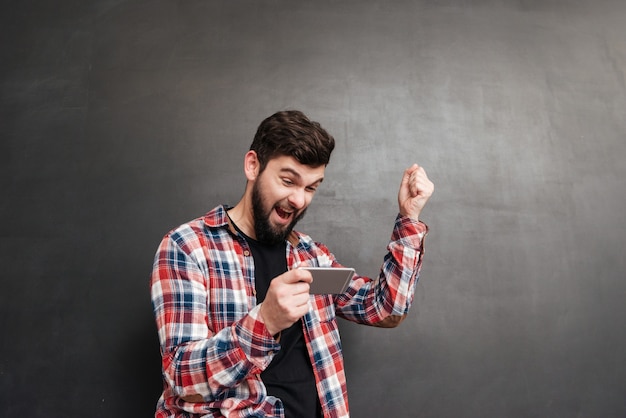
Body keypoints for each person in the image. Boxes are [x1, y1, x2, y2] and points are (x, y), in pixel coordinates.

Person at [150, 110, 434, 418]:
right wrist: (265, 322)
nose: (299, 199)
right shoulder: (189, 248)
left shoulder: (311, 256)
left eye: (311, 187)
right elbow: (181, 377)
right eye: (288, 181)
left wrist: (409, 217)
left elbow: (385, 308)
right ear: (253, 166)